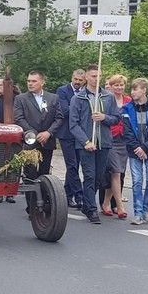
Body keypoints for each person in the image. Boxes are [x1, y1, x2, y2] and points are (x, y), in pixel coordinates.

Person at [68, 64, 121, 225]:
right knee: (89, 175)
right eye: (93, 76)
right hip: (86, 144)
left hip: (103, 142)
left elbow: (116, 118)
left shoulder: (108, 97)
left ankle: (86, 202)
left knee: (99, 177)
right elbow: (73, 124)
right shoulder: (78, 98)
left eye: (98, 76)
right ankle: (91, 209)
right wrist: (85, 141)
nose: (96, 79)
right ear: (86, 78)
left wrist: (104, 117)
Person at [122, 78, 148, 225]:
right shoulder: (127, 109)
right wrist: (137, 148)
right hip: (134, 151)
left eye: (136, 89)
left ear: (144, 90)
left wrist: (145, 147)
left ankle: (146, 208)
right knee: (137, 182)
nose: (133, 92)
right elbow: (127, 132)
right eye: (132, 89)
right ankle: (138, 213)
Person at [13, 71, 62, 181]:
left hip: (47, 142)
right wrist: (35, 134)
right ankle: (31, 198)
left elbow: (59, 118)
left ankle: (44, 197)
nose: (30, 83)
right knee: (30, 174)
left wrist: (48, 133)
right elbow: (19, 118)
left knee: (45, 174)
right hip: (30, 142)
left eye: (34, 81)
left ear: (42, 82)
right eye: (28, 81)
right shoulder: (21, 99)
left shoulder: (53, 98)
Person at [56, 69, 87, 208]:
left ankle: (67, 195)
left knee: (74, 165)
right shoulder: (62, 91)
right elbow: (65, 111)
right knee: (72, 164)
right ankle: (79, 195)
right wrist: (81, 112)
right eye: (76, 79)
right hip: (66, 133)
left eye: (80, 80)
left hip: (80, 134)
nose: (77, 82)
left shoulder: (85, 92)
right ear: (72, 77)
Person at [101, 75, 131, 218]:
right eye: (116, 85)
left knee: (118, 173)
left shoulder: (128, 101)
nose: (119, 88)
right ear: (111, 87)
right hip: (110, 139)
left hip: (124, 140)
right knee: (116, 172)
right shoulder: (106, 100)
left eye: (121, 85)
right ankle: (120, 207)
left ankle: (106, 203)